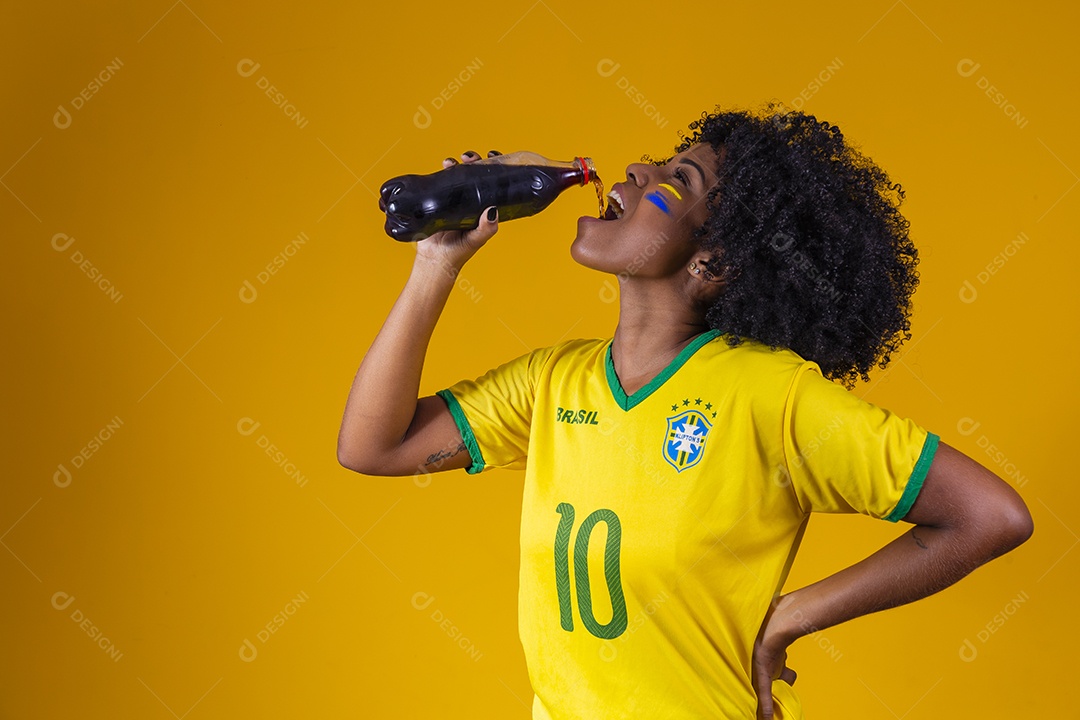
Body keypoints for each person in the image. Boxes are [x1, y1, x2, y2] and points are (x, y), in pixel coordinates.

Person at [337, 101, 1034, 720]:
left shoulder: (770, 395)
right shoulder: (553, 381)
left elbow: (989, 516)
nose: (638, 168)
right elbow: (374, 446)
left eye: (676, 180)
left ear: (714, 261)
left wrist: (788, 619)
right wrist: (437, 263)